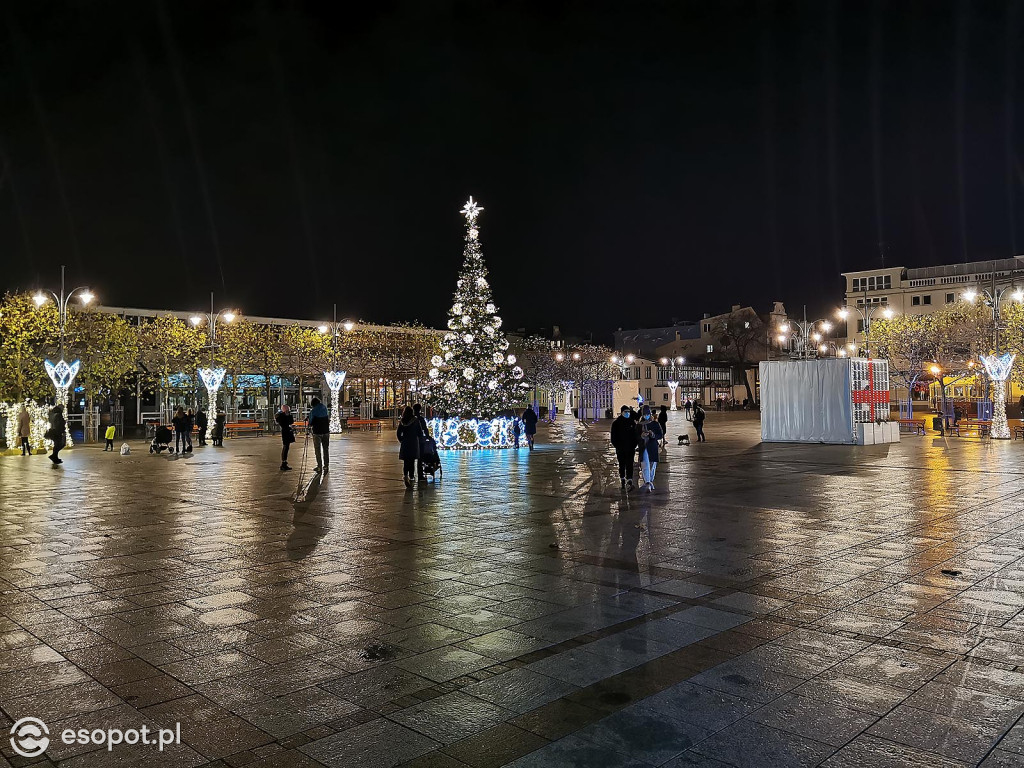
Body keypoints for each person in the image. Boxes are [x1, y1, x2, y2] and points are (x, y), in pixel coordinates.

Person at [610, 405, 639, 491]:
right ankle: (622, 478)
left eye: (628, 412)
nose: (627, 413)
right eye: (625, 412)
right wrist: (617, 446)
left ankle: (629, 480)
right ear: (622, 412)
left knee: (630, 464)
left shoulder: (632, 423)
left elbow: (635, 435)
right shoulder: (616, 423)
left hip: (630, 448)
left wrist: (634, 445)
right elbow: (613, 437)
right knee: (622, 464)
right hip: (621, 448)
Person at [636, 405, 663, 492]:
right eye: (644, 414)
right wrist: (641, 436)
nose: (646, 416)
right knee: (645, 464)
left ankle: (650, 480)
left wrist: (653, 435)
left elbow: (660, 434)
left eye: (647, 414)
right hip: (643, 447)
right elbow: (635, 437)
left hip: (653, 447)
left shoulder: (655, 424)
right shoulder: (639, 425)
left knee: (652, 465)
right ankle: (647, 482)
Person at [397, 406, 424, 488]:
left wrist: (401, 440)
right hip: (413, 442)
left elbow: (398, 432)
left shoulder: (402, 421)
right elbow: (420, 432)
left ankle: (405, 475)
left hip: (405, 442)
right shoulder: (415, 421)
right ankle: (411, 476)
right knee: (412, 460)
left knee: (406, 461)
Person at [308, 397, 330, 472]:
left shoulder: (313, 411)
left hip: (317, 432)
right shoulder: (325, 408)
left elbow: (310, 422)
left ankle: (319, 466)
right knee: (325, 449)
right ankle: (326, 465)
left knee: (317, 450)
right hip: (326, 431)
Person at [276, 404, 295, 471]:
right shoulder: (281, 416)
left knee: (287, 446)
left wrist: (288, 415)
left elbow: (291, 421)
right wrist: (286, 416)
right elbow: (282, 423)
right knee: (285, 446)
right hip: (285, 432)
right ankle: (284, 462)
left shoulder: (288, 415)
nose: (288, 411)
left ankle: (284, 462)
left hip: (289, 431)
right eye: (287, 410)